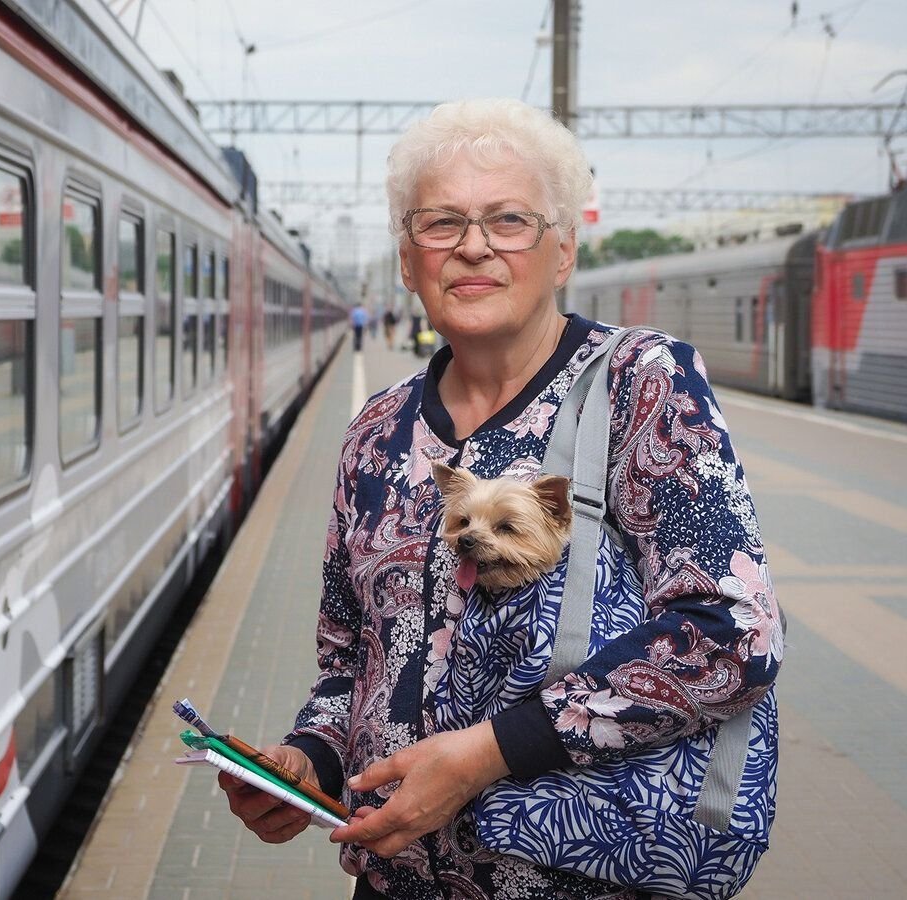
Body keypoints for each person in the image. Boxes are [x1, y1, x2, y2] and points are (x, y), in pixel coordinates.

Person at [219, 99, 782, 899]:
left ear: (562, 252)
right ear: (408, 262)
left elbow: (734, 632)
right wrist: (309, 758)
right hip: (396, 881)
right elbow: (350, 664)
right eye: (440, 223)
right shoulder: (375, 433)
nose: (474, 245)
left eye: (510, 219)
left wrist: (486, 754)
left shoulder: (642, 386)